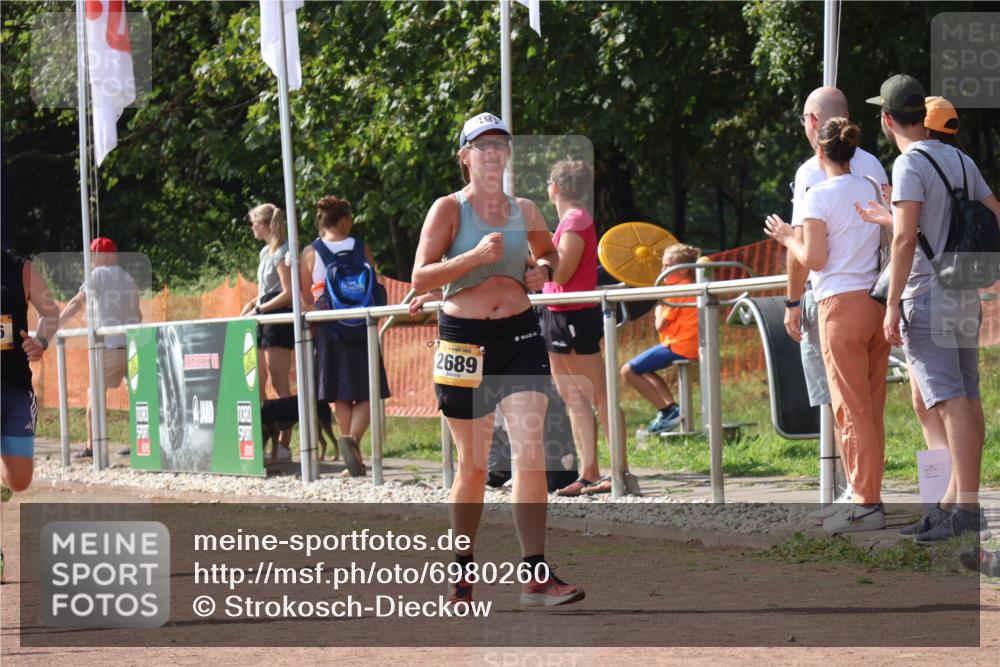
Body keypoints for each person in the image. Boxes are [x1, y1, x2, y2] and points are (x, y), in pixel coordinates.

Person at [410, 112, 583, 608]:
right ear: (465, 157)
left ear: (507, 155)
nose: (492, 153)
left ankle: (535, 574)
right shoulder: (447, 209)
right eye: (481, 146)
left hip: (521, 334)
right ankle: (462, 573)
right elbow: (421, 276)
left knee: (532, 453)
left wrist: (542, 271)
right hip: (463, 340)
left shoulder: (525, 209)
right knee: (474, 466)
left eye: (499, 145)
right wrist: (471, 260)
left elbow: (550, 256)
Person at [870, 74, 1000, 543]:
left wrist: (890, 305)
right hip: (962, 289)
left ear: (887, 119)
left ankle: (964, 508)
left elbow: (904, 238)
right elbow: (994, 214)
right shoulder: (960, 159)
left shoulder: (908, 165)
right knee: (963, 396)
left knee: (948, 400)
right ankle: (951, 502)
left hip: (926, 294)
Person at [765, 117, 891, 534]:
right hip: (875, 300)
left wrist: (786, 236)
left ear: (820, 151)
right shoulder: (871, 187)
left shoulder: (817, 195)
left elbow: (814, 258)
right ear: (851, 150)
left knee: (850, 409)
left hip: (839, 305)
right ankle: (867, 495)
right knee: (871, 407)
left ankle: (865, 502)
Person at [540, 159, 638, 496]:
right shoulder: (568, 221)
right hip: (555, 313)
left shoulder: (577, 219)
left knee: (600, 394)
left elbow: (562, 272)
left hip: (575, 315)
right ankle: (588, 472)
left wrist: (534, 250)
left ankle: (620, 472)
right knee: (573, 397)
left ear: (554, 188)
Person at [300, 196, 389, 478]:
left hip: (329, 328)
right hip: (363, 326)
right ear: (343, 220)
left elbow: (305, 299)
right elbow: (376, 285)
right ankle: (353, 445)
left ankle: (353, 453)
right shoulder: (362, 248)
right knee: (368, 391)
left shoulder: (310, 253)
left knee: (338, 393)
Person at [58, 237, 142, 458]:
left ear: (104, 256)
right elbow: (138, 315)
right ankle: (139, 442)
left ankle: (92, 446)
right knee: (137, 396)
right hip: (131, 345)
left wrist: (55, 323)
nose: (91, 260)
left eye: (93, 255)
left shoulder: (97, 275)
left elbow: (78, 302)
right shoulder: (128, 278)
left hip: (107, 347)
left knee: (93, 395)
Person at [620, 244, 700, 434]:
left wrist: (658, 311)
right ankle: (669, 409)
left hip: (679, 345)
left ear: (683, 270)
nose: (663, 271)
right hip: (683, 343)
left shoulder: (678, 290)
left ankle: (667, 410)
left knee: (628, 371)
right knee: (643, 370)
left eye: (667, 266)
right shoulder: (687, 287)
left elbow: (660, 325)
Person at [240, 204, 295, 463]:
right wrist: (252, 304)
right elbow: (266, 289)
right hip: (262, 319)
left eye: (254, 223)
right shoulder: (265, 252)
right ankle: (264, 439)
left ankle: (284, 445)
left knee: (279, 382)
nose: (252, 228)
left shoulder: (284, 252)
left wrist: (259, 307)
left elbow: (288, 293)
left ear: (264, 225)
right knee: (257, 382)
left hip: (278, 322)